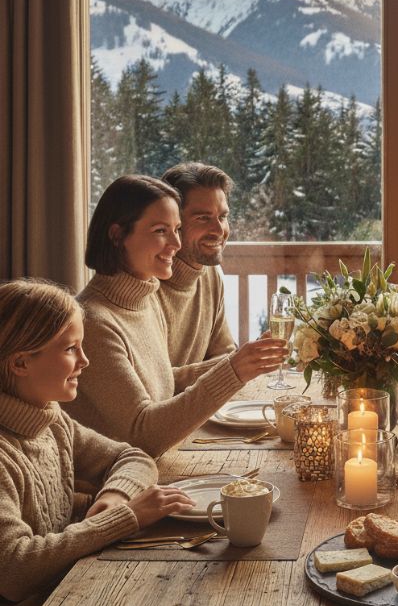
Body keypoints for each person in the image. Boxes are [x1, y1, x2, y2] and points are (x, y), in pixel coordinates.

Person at [0, 279, 195, 604]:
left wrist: (115, 496)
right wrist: (123, 518)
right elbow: (14, 570)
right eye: (69, 348)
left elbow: (134, 457)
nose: (84, 361)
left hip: (73, 588)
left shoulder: (51, 420)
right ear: (20, 363)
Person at [64, 175, 285, 456]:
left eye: (177, 230)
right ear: (117, 235)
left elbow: (163, 381)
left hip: (156, 468)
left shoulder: (144, 301)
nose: (176, 244)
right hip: (115, 486)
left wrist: (246, 362)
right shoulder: (92, 323)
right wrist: (233, 371)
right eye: (160, 231)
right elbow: (144, 434)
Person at [157, 162, 237, 385]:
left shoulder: (210, 274)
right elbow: (153, 384)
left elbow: (224, 352)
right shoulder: (145, 283)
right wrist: (235, 366)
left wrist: (236, 363)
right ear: (173, 223)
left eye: (222, 217)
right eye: (203, 218)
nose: (219, 231)